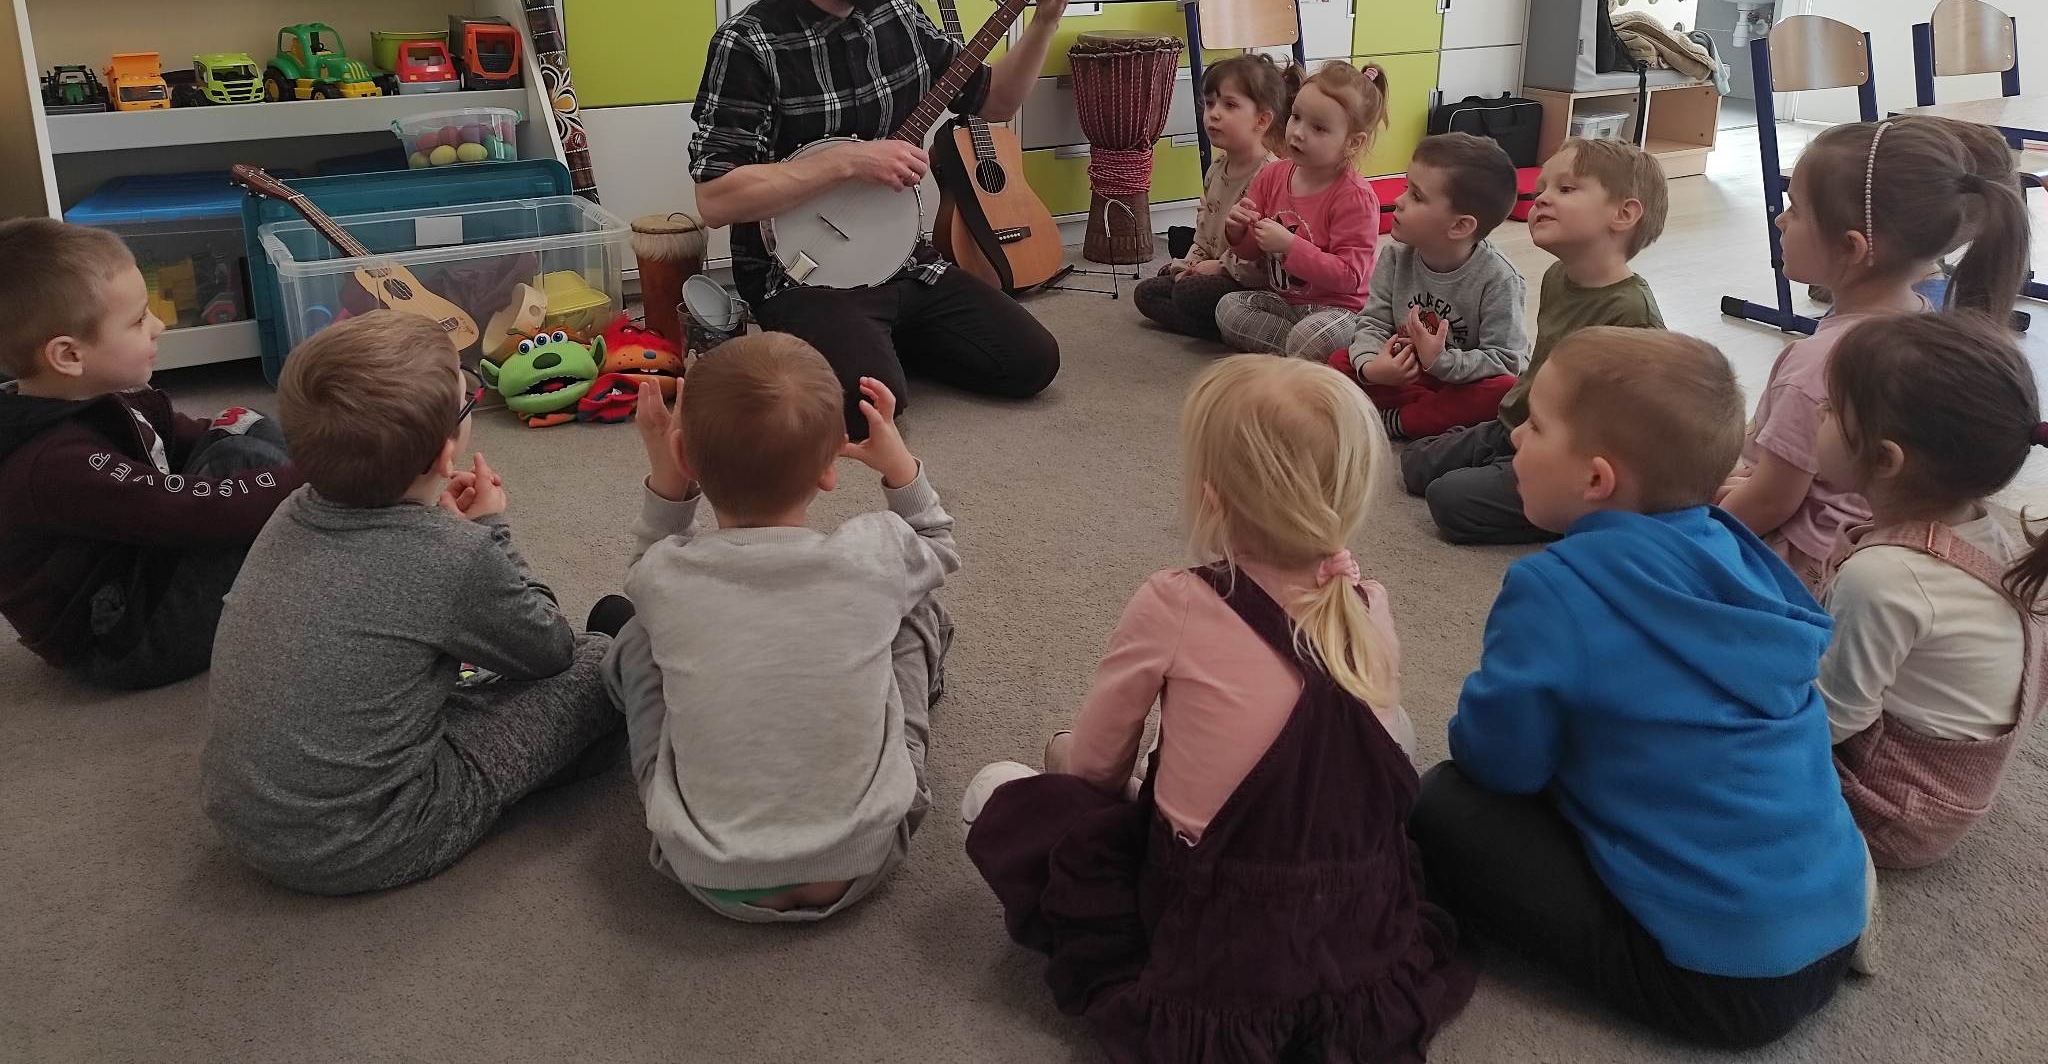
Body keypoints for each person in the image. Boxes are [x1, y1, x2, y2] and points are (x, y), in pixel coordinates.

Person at [962, 355, 1475, 1060]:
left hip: (1217, 936)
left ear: (1211, 498)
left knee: (1006, 791)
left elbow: (1099, 766)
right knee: (1386, 726)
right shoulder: (1368, 603)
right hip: (1351, 926)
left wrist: (1071, 776)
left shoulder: (1175, 600)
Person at [1410, 329, 1869, 1049]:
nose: (1516, 435)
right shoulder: (1734, 550)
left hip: (1716, 979)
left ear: (1596, 480)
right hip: (1835, 919)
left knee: (1443, 805)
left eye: (1534, 425)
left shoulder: (1556, 589)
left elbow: (1499, 762)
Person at [201, 311, 621, 895]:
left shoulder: (291, 510)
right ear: (444, 455)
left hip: (246, 820)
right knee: (601, 660)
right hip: (378, 836)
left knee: (435, 663)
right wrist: (491, 531)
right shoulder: (452, 555)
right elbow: (549, 648)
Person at [689, 0, 1073, 435]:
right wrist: (845, 161)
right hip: (799, 273)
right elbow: (716, 199)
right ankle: (849, 348)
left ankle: (873, 345)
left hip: (902, 258)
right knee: (872, 410)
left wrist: (1045, 19)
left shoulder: (899, 15)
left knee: (1032, 362)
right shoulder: (749, 43)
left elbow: (995, 102)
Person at [601, 332, 957, 921]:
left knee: (637, 635)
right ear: (829, 470)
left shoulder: (666, 574)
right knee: (916, 611)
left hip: (706, 870)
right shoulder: (876, 554)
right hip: (864, 856)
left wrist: (667, 471)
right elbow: (939, 543)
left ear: (687, 457)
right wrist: (897, 464)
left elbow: (643, 564)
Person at [1718, 117, 2026, 589]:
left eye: (1795, 210)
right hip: (1875, 528)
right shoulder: (1926, 320)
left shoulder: (1818, 362)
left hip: (1805, 569)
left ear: (1852, 247)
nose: (1780, 219)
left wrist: (1696, 532)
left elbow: (1770, 503)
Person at [0, 218, 298, 689]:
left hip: (137, 569)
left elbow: (184, 437)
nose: (159, 325)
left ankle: (316, 536)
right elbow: (187, 509)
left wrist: (313, 457)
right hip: (118, 640)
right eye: (139, 319)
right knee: (245, 465)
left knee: (241, 423)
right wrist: (315, 474)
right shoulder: (53, 463)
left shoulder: (98, 397)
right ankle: (320, 553)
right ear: (69, 356)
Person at [1814, 311, 2048, 867]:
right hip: (1944, 793)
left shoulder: (1884, 578)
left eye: (1828, 409)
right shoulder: (1985, 528)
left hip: (1890, 813)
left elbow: (1832, 720)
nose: (1817, 415)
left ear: (1885, 459)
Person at [1401, 137, 1666, 544]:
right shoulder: (1557, 277)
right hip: (1517, 425)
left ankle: (1578, 514)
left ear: (1623, 213)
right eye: (1541, 188)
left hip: (1568, 456)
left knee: (1448, 501)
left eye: (1565, 188)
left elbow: (1640, 429)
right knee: (1414, 463)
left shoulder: (1632, 314)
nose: (1540, 198)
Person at [1338, 132, 1529, 441]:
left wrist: (1440, 361)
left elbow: (1508, 362)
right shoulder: (1395, 255)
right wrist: (1373, 367)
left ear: (1460, 226)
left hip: (1460, 381)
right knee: (1340, 361)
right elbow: (1372, 322)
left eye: (1416, 196)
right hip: (1410, 374)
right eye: (1405, 188)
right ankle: (1423, 414)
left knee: (1503, 392)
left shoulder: (1499, 280)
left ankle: (1401, 420)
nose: (1398, 201)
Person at [1215, 60, 1387, 359]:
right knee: (1228, 308)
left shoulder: (1355, 197)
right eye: (1295, 117)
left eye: (1318, 128)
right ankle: (1301, 357)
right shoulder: (1272, 175)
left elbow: (1350, 276)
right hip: (1284, 303)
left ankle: (1305, 354)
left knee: (1312, 336)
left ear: (1352, 142)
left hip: (1340, 311)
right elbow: (1251, 252)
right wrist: (1237, 230)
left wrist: (1291, 246)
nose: (1297, 133)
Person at [1130, 53, 1289, 340]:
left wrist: (1217, 268)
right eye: (1210, 103)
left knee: (1188, 293)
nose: (1213, 114)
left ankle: (1228, 325)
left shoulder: (1270, 175)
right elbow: (1204, 236)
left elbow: (1264, 261)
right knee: (1146, 293)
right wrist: (1189, 265)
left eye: (1230, 105)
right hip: (1211, 269)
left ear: (1262, 119)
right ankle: (1215, 325)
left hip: (1247, 284)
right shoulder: (1217, 168)